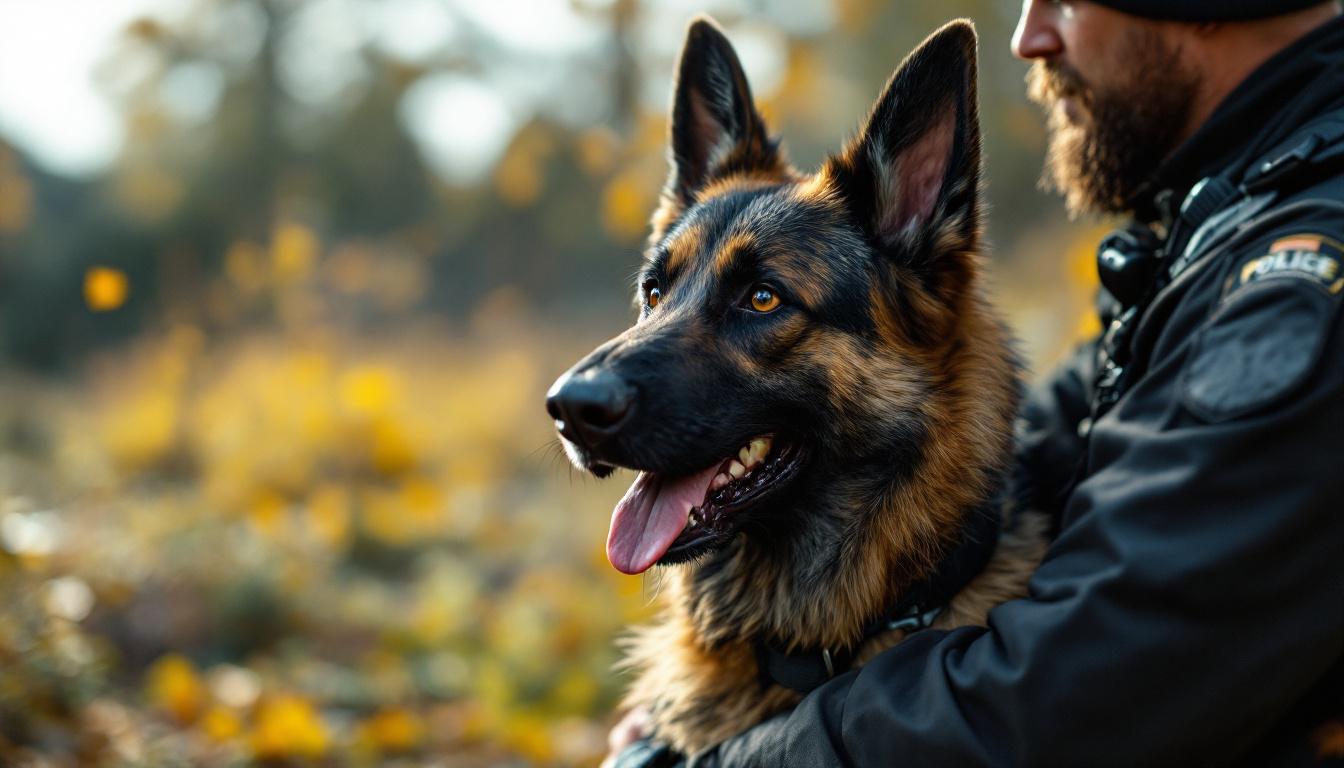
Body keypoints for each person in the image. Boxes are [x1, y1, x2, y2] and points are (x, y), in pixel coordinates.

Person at [612, 0, 1344, 765]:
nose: (1029, 39)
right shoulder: (1231, 218)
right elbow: (1066, 434)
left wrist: (740, 760)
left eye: (1061, 0)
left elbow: (1090, 690)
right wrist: (702, 701)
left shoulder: (1300, 277)